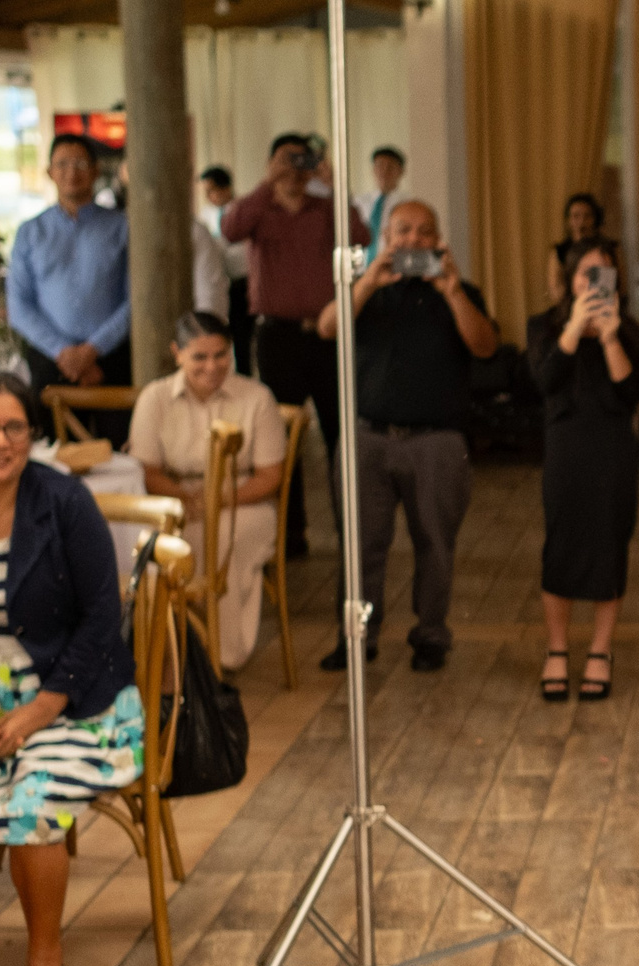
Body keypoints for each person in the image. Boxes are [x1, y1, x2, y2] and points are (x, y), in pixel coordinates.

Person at [0, 371, 140, 966]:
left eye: (14, 427)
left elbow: (103, 619)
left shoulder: (65, 502)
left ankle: (45, 961)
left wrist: (38, 711)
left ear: (31, 435)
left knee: (35, 801)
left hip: (77, 704)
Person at [317, 199, 498, 672]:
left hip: (437, 441)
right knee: (359, 543)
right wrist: (365, 282)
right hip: (366, 437)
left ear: (439, 240)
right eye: (402, 232)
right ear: (384, 238)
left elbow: (485, 345)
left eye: (424, 232)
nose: (413, 241)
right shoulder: (366, 291)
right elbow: (328, 328)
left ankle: (432, 634)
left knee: (436, 543)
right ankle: (358, 637)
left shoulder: (460, 291)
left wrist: (453, 291)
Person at [223, 131, 370, 560]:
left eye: (302, 161)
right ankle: (289, 535)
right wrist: (266, 184)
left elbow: (360, 236)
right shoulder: (258, 211)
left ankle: (352, 533)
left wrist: (334, 183)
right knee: (281, 438)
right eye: (286, 161)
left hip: (327, 334)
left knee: (340, 434)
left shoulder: (326, 209)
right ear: (271, 164)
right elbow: (231, 229)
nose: (294, 170)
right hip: (277, 336)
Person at [127, 312, 288, 671]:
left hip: (243, 499)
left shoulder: (257, 397)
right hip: (175, 498)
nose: (212, 366)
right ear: (177, 353)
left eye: (221, 355)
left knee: (221, 540)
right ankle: (161, 653)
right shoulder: (155, 398)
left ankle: (218, 654)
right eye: (200, 356)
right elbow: (148, 470)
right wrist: (188, 501)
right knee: (147, 542)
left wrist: (219, 501)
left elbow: (270, 476)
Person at [531, 237, 639, 702]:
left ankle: (601, 649)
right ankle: (556, 648)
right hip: (566, 450)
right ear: (571, 279)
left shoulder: (629, 330)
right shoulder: (546, 326)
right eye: (585, 273)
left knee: (609, 543)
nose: (593, 282)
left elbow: (630, 394)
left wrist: (611, 335)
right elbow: (544, 380)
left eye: (603, 273)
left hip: (614, 450)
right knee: (560, 543)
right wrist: (575, 330)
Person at [7, 135, 130, 420]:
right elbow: (19, 306)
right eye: (62, 164)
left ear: (96, 170)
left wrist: (92, 350)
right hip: (49, 362)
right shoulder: (30, 232)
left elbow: (136, 300)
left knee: (117, 455)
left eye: (80, 163)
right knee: (51, 456)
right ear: (49, 172)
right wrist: (63, 352)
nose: (71, 172)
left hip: (111, 361)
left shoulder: (122, 227)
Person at [199, 166, 254, 375]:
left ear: (225, 188)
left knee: (242, 335)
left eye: (211, 190)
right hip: (219, 280)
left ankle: (245, 373)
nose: (208, 196)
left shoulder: (242, 210)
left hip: (242, 281)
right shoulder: (206, 214)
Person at [547, 192, 608, 302]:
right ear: (568, 220)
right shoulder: (560, 251)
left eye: (587, 216)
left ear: (595, 219)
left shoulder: (605, 249)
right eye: (576, 216)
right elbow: (556, 292)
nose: (581, 222)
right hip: (569, 308)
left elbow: (607, 292)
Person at [360, 146, 415, 267]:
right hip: (361, 270)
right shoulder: (359, 202)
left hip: (393, 267)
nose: (384, 171)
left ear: (401, 171)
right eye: (380, 166)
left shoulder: (408, 205)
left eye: (390, 167)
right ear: (373, 169)